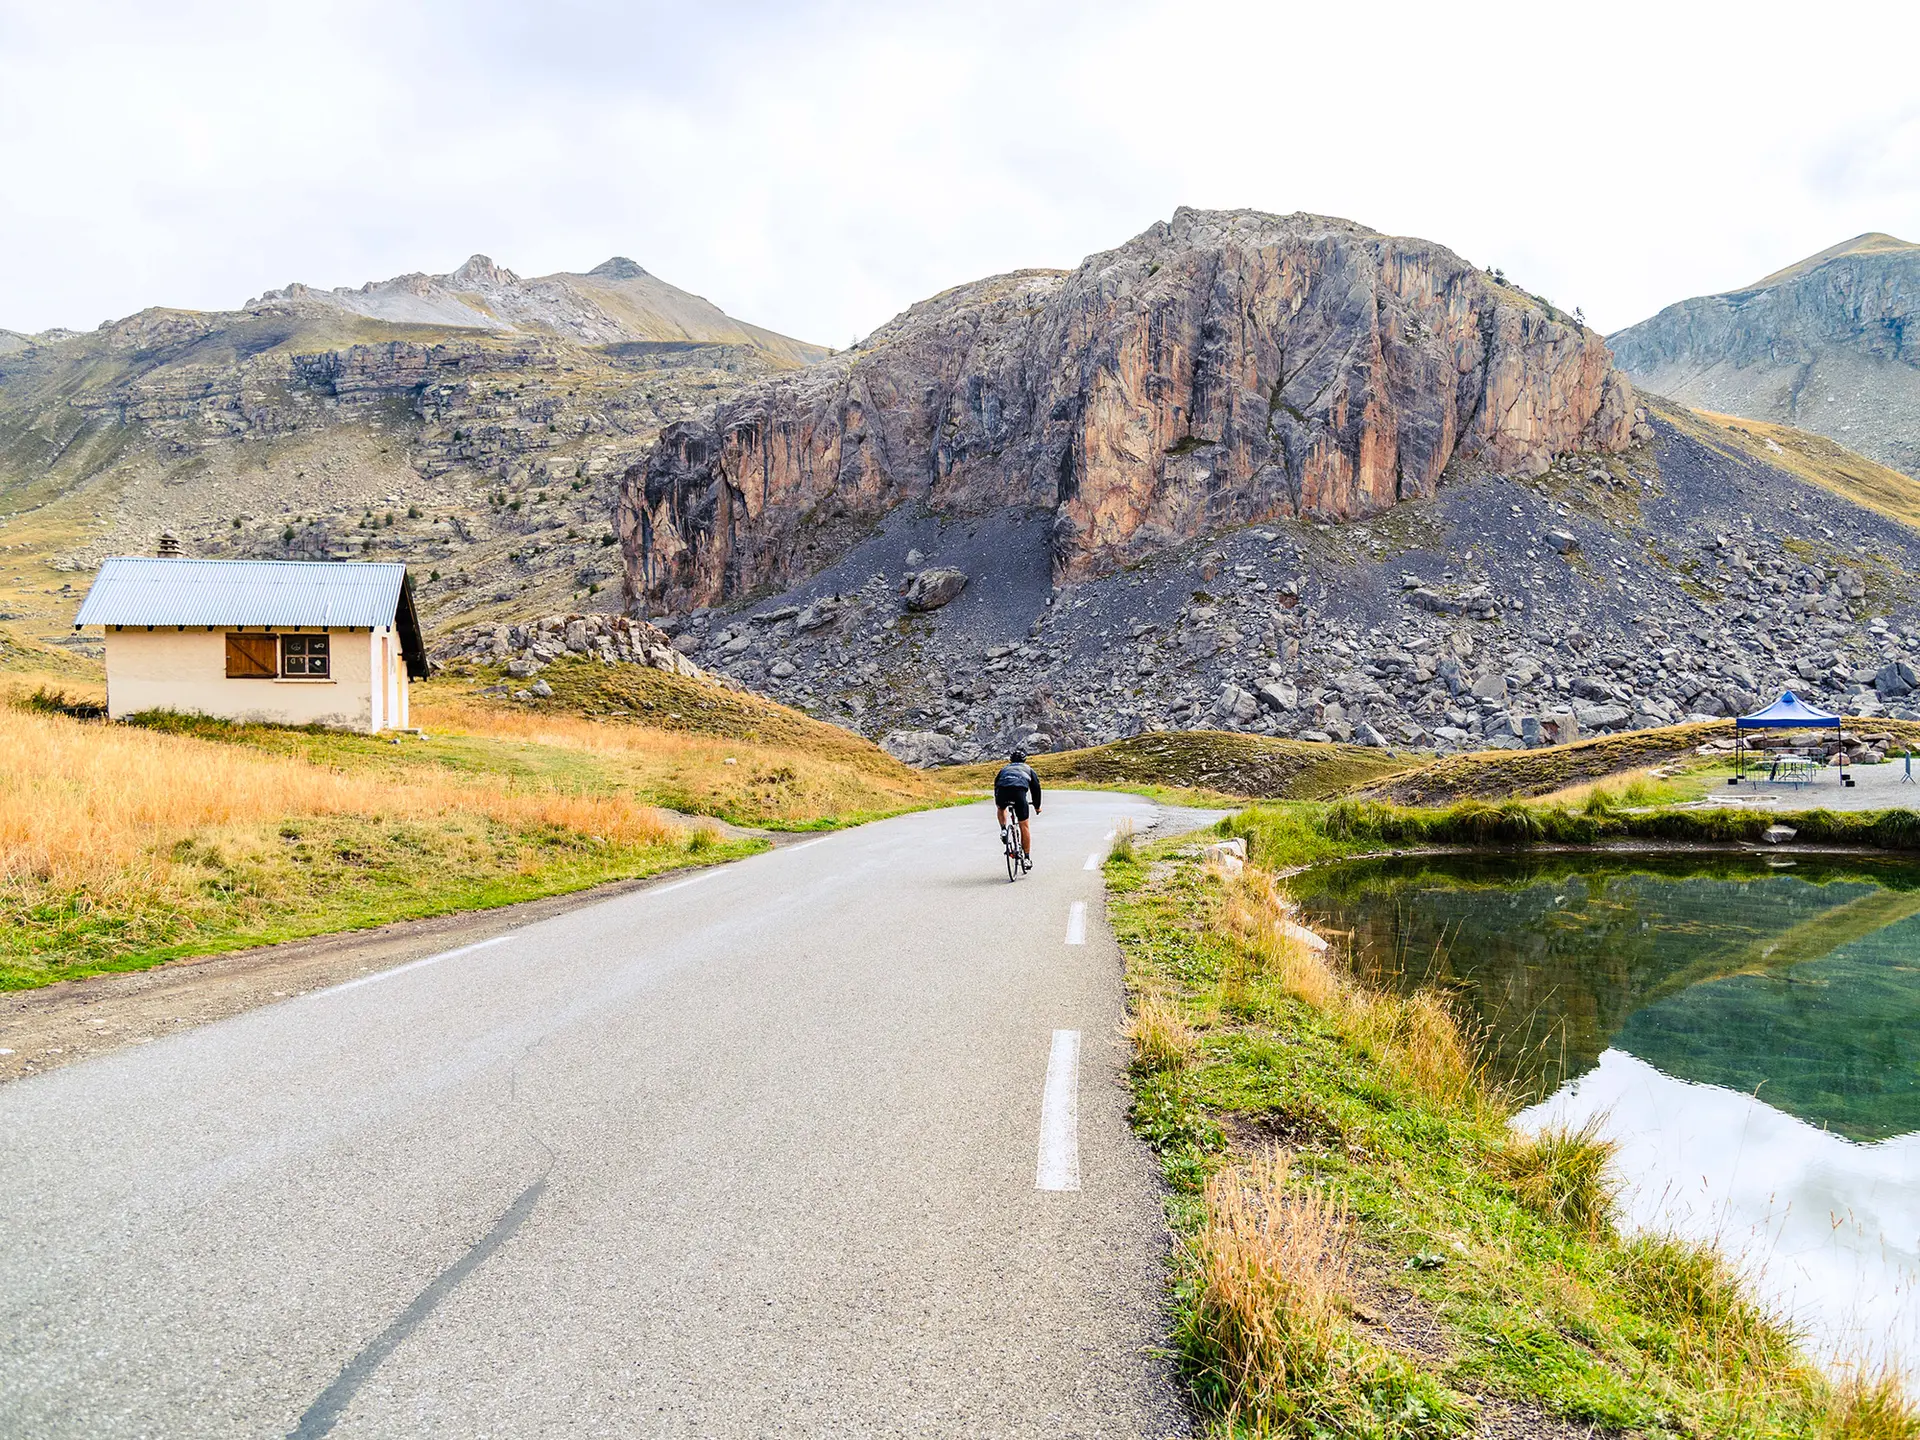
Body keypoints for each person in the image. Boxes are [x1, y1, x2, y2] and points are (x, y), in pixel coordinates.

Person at [994, 749, 1042, 868]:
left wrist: (998, 802)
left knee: (1001, 808)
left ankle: (1004, 829)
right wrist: (1037, 807)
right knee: (1024, 826)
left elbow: (996, 784)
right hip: (1018, 793)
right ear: (1024, 760)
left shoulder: (1004, 769)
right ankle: (1026, 858)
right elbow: (1036, 789)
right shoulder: (1029, 769)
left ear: (1011, 760)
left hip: (1002, 792)